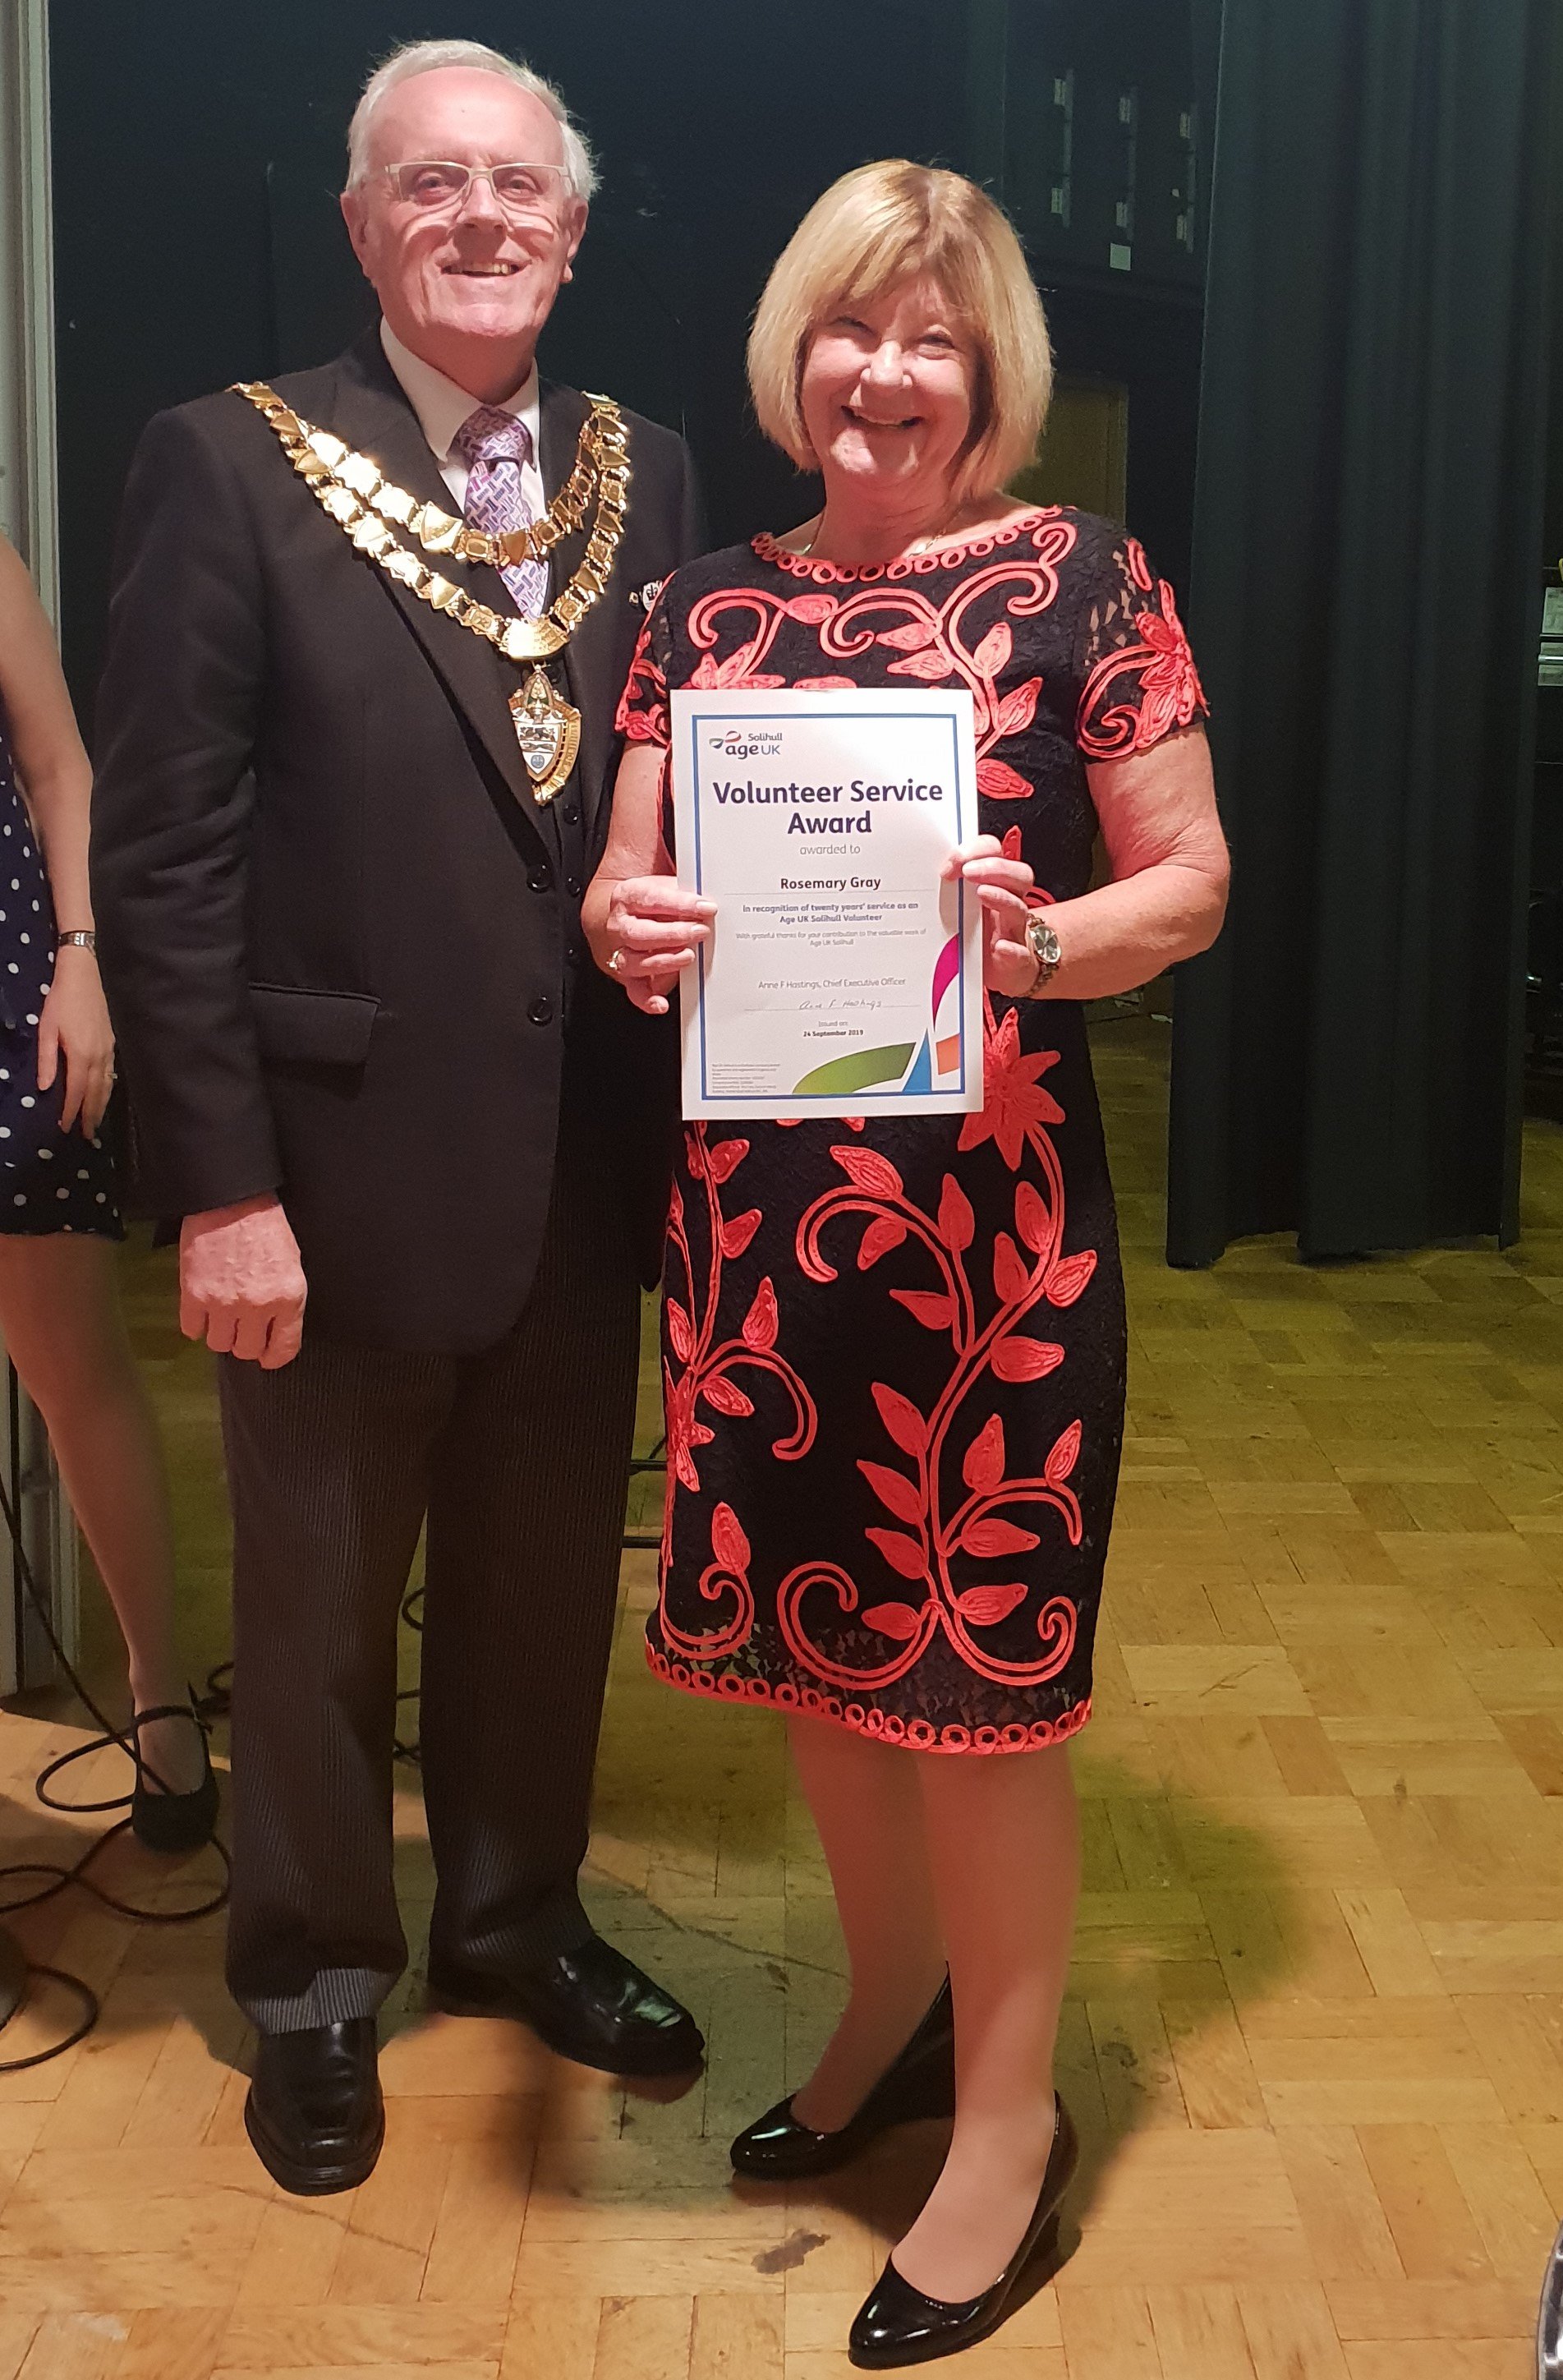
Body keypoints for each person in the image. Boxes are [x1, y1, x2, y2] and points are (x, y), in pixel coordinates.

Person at [586, 161, 1229, 2366]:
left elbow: (1190, 884)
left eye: (935, 335)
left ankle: (1003, 2127)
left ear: (992, 375)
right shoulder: (692, 612)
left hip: (995, 1247)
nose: (888, 370)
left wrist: (1040, 936)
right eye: (856, 326)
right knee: (813, 1665)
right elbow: (627, 894)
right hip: (761, 1235)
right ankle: (882, 2002)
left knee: (975, 1694)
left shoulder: (1087, 581)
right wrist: (623, 924)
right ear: (796, 354)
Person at [91, 39, 704, 2199]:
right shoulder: (232, 463)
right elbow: (160, 858)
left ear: (572, 224)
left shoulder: (650, 466)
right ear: (360, 226)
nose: (478, 216)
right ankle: (313, 1987)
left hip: (581, 1161)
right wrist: (222, 1183)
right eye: (427, 184)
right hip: (326, 1179)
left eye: (516, 186)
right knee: (324, 1611)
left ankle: (515, 1924)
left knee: (545, 1590)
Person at [0, 535, 216, 1854]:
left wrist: (83, 964)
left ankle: (161, 1700)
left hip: (11, 976)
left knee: (74, 1369)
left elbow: (59, 767)